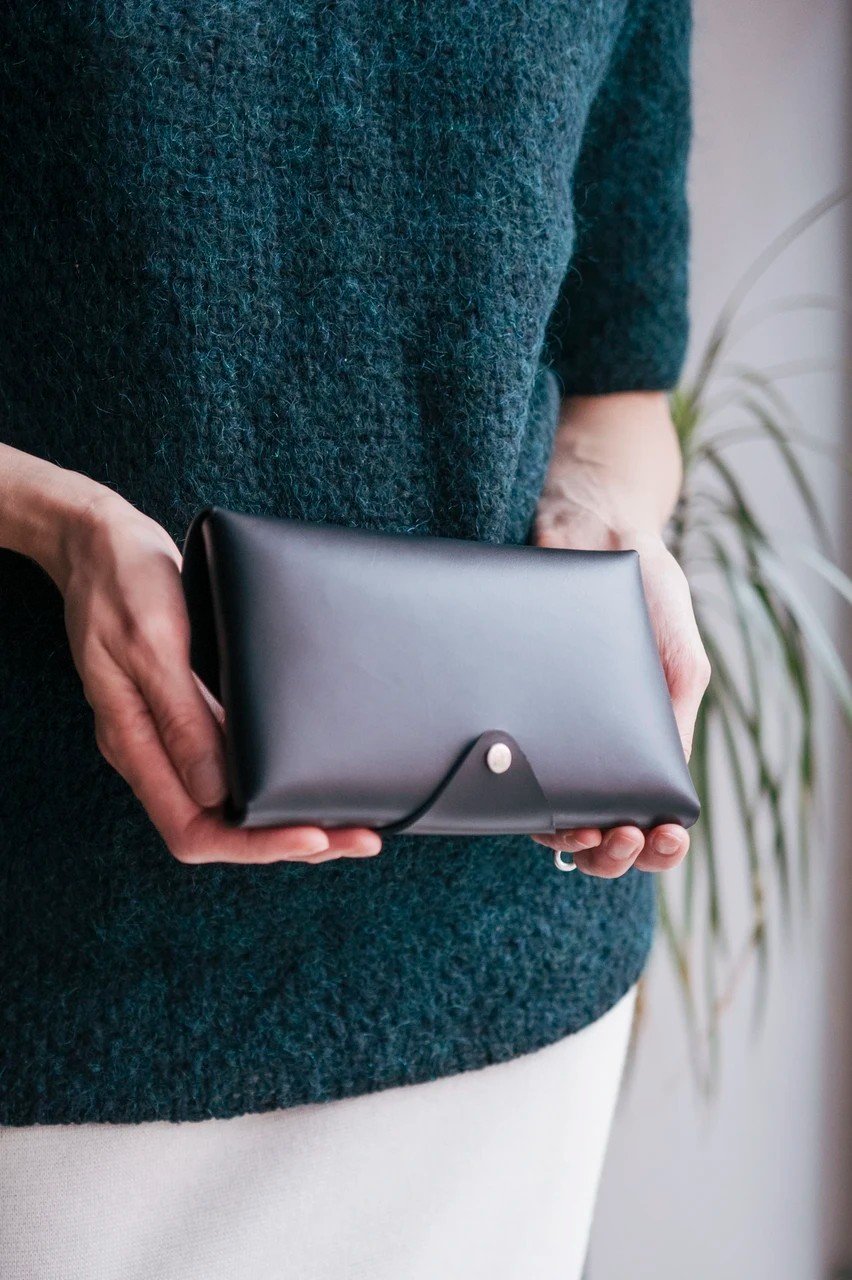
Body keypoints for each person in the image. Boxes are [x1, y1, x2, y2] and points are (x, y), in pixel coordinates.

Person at [0, 0, 709, 1276]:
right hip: (59, 961)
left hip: (503, 980)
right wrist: (54, 523)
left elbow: (619, 387)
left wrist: (601, 521)